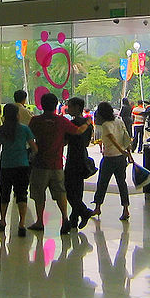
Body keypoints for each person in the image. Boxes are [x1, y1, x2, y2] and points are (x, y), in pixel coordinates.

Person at [27, 92, 92, 234]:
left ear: (41, 105)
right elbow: (78, 131)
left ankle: (39, 221)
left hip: (40, 164)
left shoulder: (35, 121)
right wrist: (87, 122)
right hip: (57, 164)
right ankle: (65, 218)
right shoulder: (62, 121)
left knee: (39, 194)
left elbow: (29, 138)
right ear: (56, 105)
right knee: (61, 193)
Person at [0, 103, 37, 237]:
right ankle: (21, 223)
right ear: (17, 115)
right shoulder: (24, 129)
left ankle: (3, 220)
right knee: (22, 194)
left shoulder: (1, 130)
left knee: (4, 194)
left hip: (6, 166)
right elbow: (34, 148)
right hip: (22, 166)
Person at [92, 102, 133, 222]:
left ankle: (97, 207)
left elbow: (111, 137)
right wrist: (127, 153)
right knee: (122, 183)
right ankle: (125, 209)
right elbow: (126, 136)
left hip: (110, 157)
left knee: (102, 183)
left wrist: (120, 149)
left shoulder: (105, 124)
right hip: (121, 158)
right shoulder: (119, 120)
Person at [64, 97, 95, 229]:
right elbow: (87, 142)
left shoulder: (74, 124)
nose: (67, 108)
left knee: (69, 189)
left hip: (73, 157)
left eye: (70, 106)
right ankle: (74, 218)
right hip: (83, 156)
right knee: (78, 189)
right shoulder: (88, 124)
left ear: (77, 107)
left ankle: (84, 212)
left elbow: (66, 140)